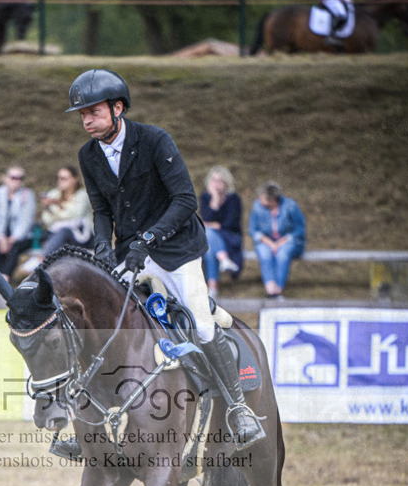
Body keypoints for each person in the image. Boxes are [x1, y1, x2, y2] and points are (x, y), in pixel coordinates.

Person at [66, 68, 264, 449]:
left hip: (176, 250)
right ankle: (89, 418)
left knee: (202, 326)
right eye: (81, 115)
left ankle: (239, 409)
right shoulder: (88, 155)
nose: (86, 120)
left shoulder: (155, 140)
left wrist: (148, 238)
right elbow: (101, 210)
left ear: (118, 108)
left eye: (93, 111)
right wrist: (103, 249)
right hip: (131, 255)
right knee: (99, 322)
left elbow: (186, 200)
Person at [22, 165, 93, 274]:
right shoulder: (54, 193)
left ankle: (41, 259)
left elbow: (73, 214)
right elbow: (47, 220)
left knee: (63, 231)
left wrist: (57, 204)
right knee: (33, 235)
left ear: (75, 179)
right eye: (59, 178)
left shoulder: (82, 195)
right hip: (57, 234)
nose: (60, 181)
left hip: (82, 236)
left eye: (64, 178)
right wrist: (47, 208)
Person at [248, 181, 306, 298]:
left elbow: (300, 228)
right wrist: (270, 243)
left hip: (290, 241)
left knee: (283, 253)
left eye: (263, 198)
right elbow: (252, 230)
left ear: (273, 199)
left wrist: (283, 241)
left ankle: (277, 290)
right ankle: (271, 289)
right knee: (265, 253)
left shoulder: (290, 206)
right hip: (265, 241)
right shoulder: (257, 206)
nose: (260, 200)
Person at [0, 166, 37, 287]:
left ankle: (4, 278)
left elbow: (26, 221)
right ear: (5, 178)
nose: (17, 181)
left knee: (15, 247)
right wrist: (0, 237)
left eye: (20, 178)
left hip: (20, 236)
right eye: (13, 178)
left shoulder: (27, 195)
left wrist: (12, 239)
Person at [199, 165, 243, 297]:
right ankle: (223, 259)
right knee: (209, 242)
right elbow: (205, 218)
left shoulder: (233, 199)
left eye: (220, 181)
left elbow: (230, 223)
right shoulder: (206, 198)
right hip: (212, 238)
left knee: (208, 236)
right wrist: (215, 200)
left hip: (230, 237)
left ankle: (212, 287)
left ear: (226, 183)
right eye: (214, 180)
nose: (216, 184)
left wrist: (213, 225)